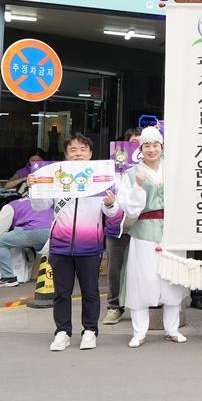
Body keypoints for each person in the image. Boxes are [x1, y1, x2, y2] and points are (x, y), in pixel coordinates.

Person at [32, 134, 118, 351]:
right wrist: (34, 187)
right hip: (60, 246)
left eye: (83, 149)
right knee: (62, 293)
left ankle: (90, 331)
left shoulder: (102, 179)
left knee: (90, 292)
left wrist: (110, 204)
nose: (78, 153)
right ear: (66, 154)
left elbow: (113, 212)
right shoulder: (56, 176)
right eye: (73, 149)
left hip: (90, 246)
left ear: (90, 154)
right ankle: (62, 332)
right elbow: (40, 206)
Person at [117, 126, 189, 348]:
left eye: (155, 145)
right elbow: (129, 209)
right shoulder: (131, 174)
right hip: (143, 231)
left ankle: (172, 328)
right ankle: (139, 331)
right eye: (146, 145)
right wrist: (138, 186)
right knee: (142, 279)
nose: (151, 149)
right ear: (140, 149)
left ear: (162, 147)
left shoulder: (175, 171)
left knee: (173, 278)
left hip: (172, 231)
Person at [103, 128, 141, 325]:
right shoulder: (111, 171)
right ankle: (114, 306)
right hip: (117, 225)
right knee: (115, 268)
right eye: (133, 143)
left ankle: (141, 306)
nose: (138, 148)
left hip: (144, 228)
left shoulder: (150, 169)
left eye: (141, 144)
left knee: (142, 267)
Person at [0, 196, 52, 286]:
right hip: (57, 232)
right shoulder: (44, 200)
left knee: (1, 242)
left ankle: (8, 278)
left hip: (36, 232)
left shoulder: (9, 207)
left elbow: (1, 230)